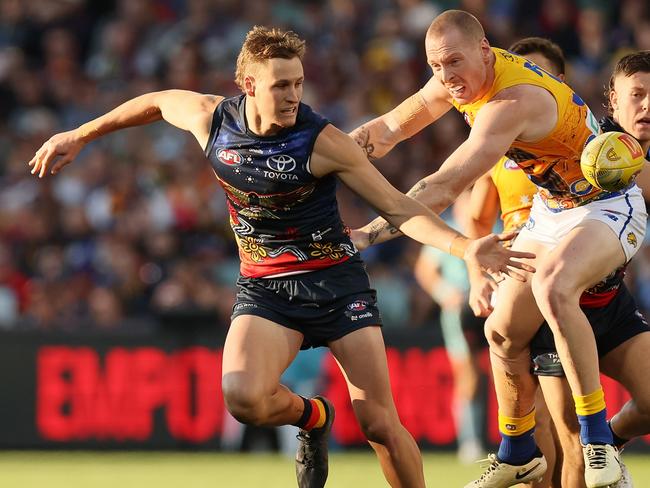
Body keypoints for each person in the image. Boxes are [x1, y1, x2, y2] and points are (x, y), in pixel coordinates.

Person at [27, 26, 534, 488]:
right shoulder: (213, 121)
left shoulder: (324, 141)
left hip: (337, 284)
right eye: (281, 85)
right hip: (267, 289)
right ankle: (311, 417)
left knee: (379, 422)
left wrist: (465, 247)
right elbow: (158, 102)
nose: (294, 95)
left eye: (298, 83)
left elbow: (399, 207)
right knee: (243, 398)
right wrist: (80, 135)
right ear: (248, 86)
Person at [349, 10, 647, 488]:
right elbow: (391, 127)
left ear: (485, 51)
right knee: (502, 332)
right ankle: (518, 451)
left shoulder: (512, 102)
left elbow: (444, 186)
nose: (445, 77)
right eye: (435, 66)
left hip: (607, 208)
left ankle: (598, 445)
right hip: (551, 211)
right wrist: (333, 151)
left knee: (553, 289)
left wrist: (368, 232)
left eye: (453, 62)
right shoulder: (458, 78)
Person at [529, 50, 650, 488]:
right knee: (569, 450)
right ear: (613, 101)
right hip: (558, 307)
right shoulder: (591, 144)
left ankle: (612, 442)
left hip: (611, 302)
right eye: (637, 95)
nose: (647, 106)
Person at [465, 37, 569, 488]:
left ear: (558, 86)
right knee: (533, 413)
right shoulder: (499, 149)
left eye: (536, 76)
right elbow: (473, 217)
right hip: (516, 283)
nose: (521, 87)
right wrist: (476, 278)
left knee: (563, 415)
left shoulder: (579, 141)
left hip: (567, 279)